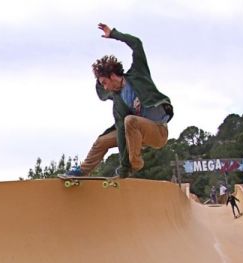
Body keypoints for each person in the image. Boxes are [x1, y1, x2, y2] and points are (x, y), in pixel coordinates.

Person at [74, 23, 173, 178]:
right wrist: (123, 167)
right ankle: (82, 172)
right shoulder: (118, 101)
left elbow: (136, 44)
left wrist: (113, 34)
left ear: (113, 76)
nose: (105, 88)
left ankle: (136, 163)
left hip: (158, 131)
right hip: (133, 134)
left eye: (105, 82)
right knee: (102, 141)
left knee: (130, 121)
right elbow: (121, 133)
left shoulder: (138, 74)